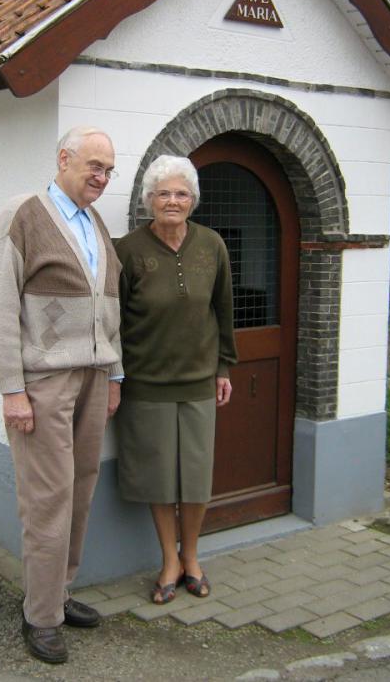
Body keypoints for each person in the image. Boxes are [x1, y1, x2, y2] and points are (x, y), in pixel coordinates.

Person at [0, 126, 123, 664]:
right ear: (64, 159)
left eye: (109, 169)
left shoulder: (94, 223)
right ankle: (40, 616)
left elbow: (110, 309)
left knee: (81, 488)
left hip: (95, 377)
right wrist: (13, 389)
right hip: (44, 384)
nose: (102, 178)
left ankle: (58, 593)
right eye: (94, 166)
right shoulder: (23, 214)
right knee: (48, 498)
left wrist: (116, 375)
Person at [114, 155, 237, 605]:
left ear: (193, 200)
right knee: (160, 478)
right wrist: (115, 377)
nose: (172, 201)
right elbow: (115, 321)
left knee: (196, 478)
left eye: (181, 193)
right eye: (163, 193)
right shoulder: (127, 250)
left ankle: (193, 558)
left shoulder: (212, 246)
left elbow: (223, 310)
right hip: (146, 384)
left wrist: (224, 366)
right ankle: (169, 560)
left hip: (200, 381)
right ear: (149, 200)